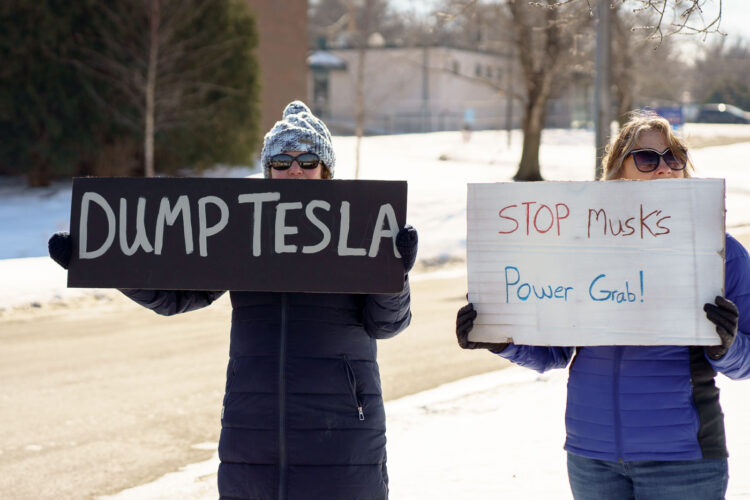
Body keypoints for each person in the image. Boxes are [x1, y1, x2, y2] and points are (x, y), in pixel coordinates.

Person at [49, 100, 418, 500]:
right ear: (267, 170)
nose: (295, 168)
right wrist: (105, 264)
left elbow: (387, 324)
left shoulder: (359, 231)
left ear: (326, 169)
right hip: (253, 435)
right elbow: (175, 297)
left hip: (342, 437)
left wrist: (394, 272)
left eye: (309, 159)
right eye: (281, 160)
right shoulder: (242, 232)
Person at [455, 110, 750, 499]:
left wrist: (725, 347)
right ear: (616, 171)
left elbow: (746, 361)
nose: (664, 168)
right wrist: (500, 338)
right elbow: (555, 351)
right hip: (591, 457)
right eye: (647, 158)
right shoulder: (580, 247)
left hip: (683, 460)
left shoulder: (720, 252)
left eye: (673, 156)